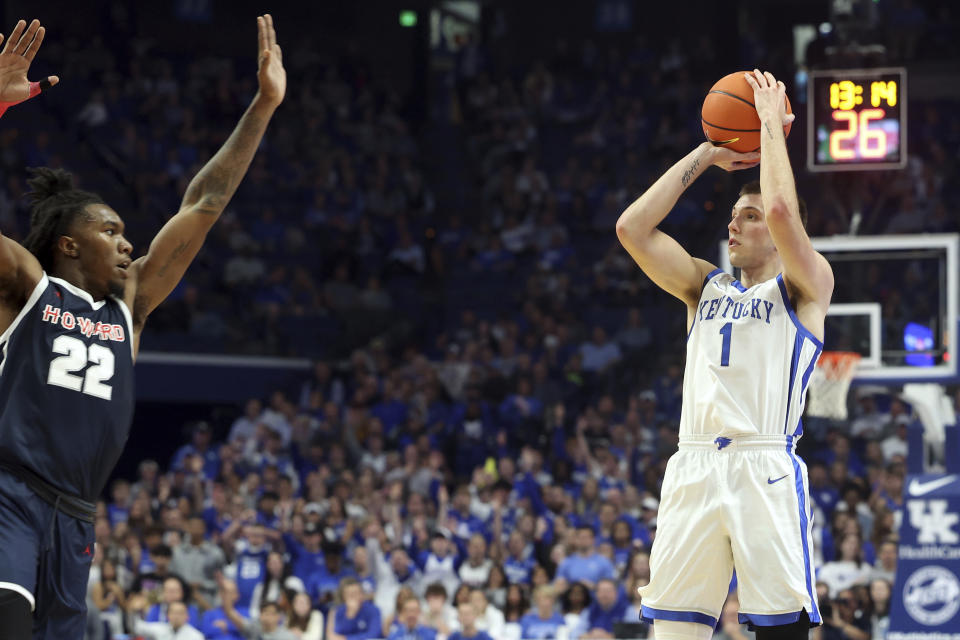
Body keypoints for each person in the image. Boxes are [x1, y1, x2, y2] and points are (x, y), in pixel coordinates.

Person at [0, 14, 286, 640]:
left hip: (76, 516)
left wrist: (263, 107)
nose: (128, 244)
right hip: (8, 497)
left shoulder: (130, 306)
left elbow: (203, 205)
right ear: (68, 245)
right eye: (111, 231)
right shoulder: (25, 286)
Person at [615, 69, 833, 640]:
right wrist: (708, 155)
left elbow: (785, 213)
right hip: (693, 464)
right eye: (734, 215)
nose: (734, 224)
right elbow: (632, 227)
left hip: (763, 466)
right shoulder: (702, 286)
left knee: (779, 631)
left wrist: (767, 128)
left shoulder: (805, 287)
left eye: (750, 216)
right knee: (673, 632)